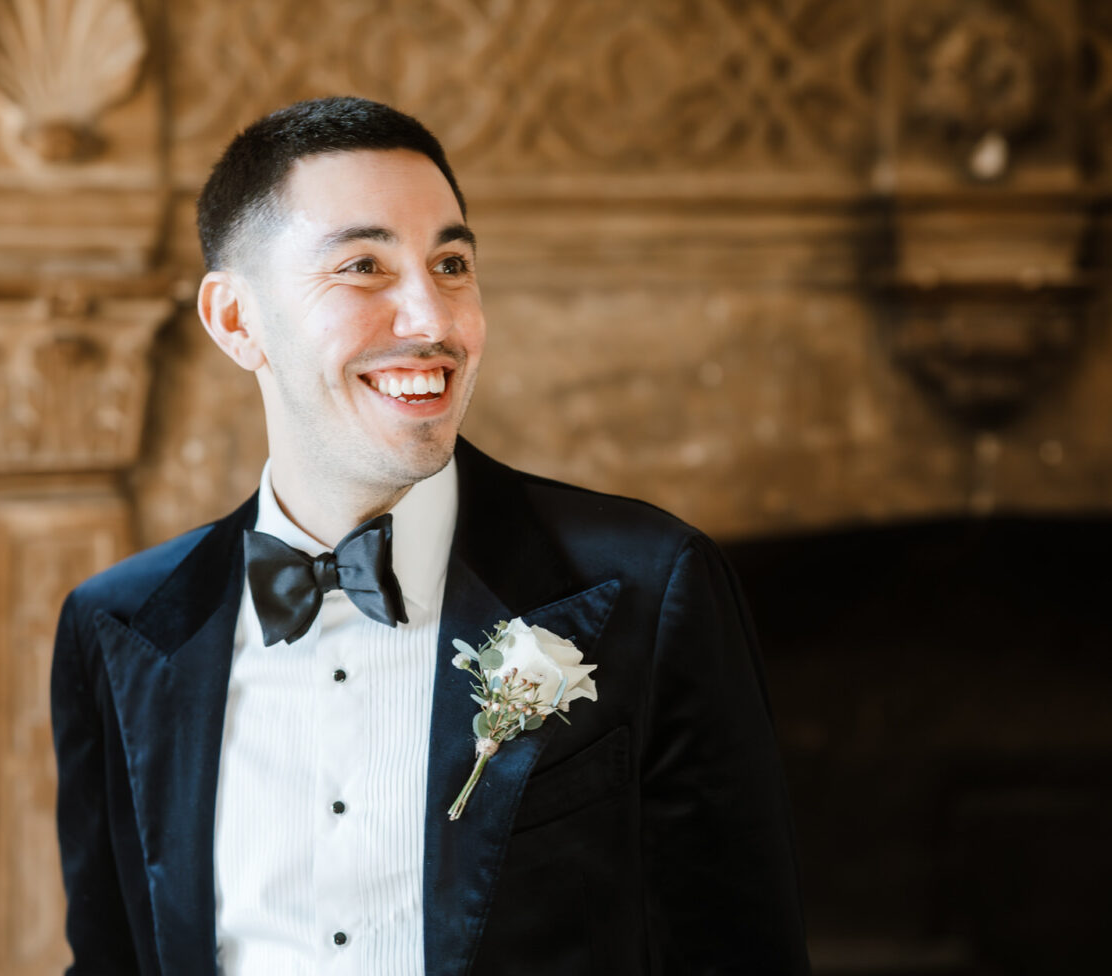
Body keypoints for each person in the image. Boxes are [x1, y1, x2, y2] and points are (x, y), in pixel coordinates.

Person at [51, 96, 810, 976]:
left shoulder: (652, 584)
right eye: (365, 266)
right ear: (235, 320)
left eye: (451, 264)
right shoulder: (118, 626)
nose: (434, 321)